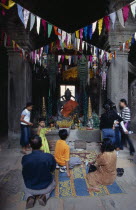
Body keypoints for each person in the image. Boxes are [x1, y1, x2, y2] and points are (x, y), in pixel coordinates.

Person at [22, 135, 56, 209]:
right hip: (45, 187)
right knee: (53, 183)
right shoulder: (49, 156)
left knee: (24, 185)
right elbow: (52, 169)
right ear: (41, 145)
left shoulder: (25, 158)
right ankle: (44, 196)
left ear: (30, 145)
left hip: (30, 188)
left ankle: (29, 197)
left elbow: (25, 171)